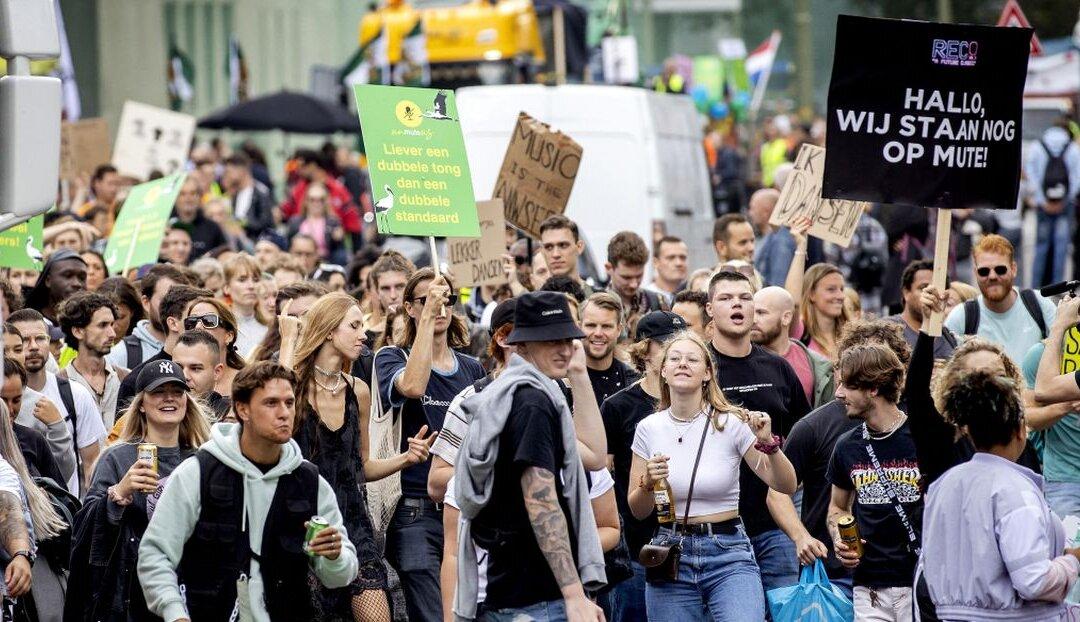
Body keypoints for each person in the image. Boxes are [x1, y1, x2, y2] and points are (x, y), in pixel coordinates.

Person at [137, 361, 359, 621]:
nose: (284, 412)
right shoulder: (198, 472)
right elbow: (155, 555)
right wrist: (175, 613)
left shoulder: (310, 482)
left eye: (289, 403)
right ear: (242, 409)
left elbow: (340, 576)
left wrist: (334, 556)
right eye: (271, 403)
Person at [452, 291, 606, 621]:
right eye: (550, 340)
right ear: (522, 346)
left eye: (567, 338)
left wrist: (578, 374)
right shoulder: (532, 402)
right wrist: (574, 594)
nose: (564, 349)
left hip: (522, 593)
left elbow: (593, 454)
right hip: (536, 599)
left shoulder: (528, 393)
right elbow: (542, 503)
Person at [629, 330, 797, 621]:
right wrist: (648, 482)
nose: (683, 363)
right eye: (675, 358)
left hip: (727, 550)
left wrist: (769, 443)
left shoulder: (731, 422)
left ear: (707, 373)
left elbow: (786, 484)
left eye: (692, 359)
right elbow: (638, 510)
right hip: (671, 551)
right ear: (664, 371)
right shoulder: (648, 427)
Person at [373, 268, 486, 622]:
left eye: (445, 299)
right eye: (427, 301)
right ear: (408, 307)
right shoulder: (391, 357)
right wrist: (425, 322)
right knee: (433, 615)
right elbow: (413, 386)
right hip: (415, 510)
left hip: (463, 508)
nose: (439, 308)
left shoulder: (471, 368)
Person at [923, 371, 1080, 621]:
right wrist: (1071, 561)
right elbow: (1034, 581)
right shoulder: (1015, 490)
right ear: (1020, 430)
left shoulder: (943, 485)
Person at [66, 359, 212, 621]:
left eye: (177, 392)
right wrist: (119, 494)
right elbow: (83, 533)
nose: (169, 398)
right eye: (158, 392)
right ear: (142, 404)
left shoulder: (203, 460)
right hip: (129, 600)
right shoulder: (117, 458)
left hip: (187, 593)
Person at [278, 292, 392, 620]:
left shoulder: (359, 390)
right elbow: (275, 403)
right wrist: (289, 340)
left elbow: (363, 466)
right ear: (329, 331)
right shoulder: (294, 385)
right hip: (300, 521)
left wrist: (408, 458)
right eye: (354, 326)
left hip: (353, 522)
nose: (363, 335)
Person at [779, 321, 913, 599]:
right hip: (836, 574)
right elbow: (778, 492)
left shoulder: (917, 428)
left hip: (910, 576)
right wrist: (801, 537)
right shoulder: (816, 427)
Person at [705, 270, 810, 593]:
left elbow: (802, 436)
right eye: (725, 298)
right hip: (718, 529)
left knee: (783, 611)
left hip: (775, 524)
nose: (736, 304)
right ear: (710, 309)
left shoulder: (777, 367)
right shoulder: (699, 369)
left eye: (744, 297)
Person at [827, 344, 923, 622]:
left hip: (919, 581)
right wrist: (838, 537)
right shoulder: (846, 446)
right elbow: (837, 507)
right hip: (868, 586)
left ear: (873, 388)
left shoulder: (922, 439)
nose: (839, 393)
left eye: (847, 385)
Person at [602, 310, 684, 622]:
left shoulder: (697, 403)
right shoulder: (618, 406)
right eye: (667, 345)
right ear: (644, 350)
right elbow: (603, 477)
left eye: (682, 345)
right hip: (638, 547)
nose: (675, 354)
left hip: (690, 542)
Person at [10, 308, 106, 496]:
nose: (33, 346)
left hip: (65, 513)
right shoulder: (4, 402)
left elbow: (92, 465)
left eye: (40, 338)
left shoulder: (75, 394)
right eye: (24, 341)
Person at [944, 234, 1056, 365]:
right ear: (975, 273)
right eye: (984, 271)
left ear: (1013, 269)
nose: (992, 276)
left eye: (1000, 270)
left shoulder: (1040, 304)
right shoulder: (962, 316)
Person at [115, 285, 210, 413]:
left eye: (208, 320)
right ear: (173, 323)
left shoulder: (221, 371)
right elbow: (125, 431)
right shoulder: (136, 381)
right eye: (193, 320)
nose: (202, 326)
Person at [751, 286, 834, 409]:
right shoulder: (741, 359)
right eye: (751, 312)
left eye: (761, 313)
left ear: (786, 317)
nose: (753, 320)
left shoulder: (818, 365)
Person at [57, 291, 125, 428]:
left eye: (112, 324)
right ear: (78, 331)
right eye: (103, 325)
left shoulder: (126, 378)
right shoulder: (59, 384)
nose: (112, 333)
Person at [1025, 118, 1080, 286]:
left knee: (1041, 247)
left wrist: (1042, 200)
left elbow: (1030, 174)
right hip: (1064, 206)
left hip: (1043, 206)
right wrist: (1064, 200)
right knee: (1061, 249)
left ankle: (1035, 288)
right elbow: (1077, 178)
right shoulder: (1072, 149)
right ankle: (1058, 288)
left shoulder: (1037, 146)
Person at [106, 265, 191, 369]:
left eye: (182, 300)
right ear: (146, 302)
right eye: (166, 299)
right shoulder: (120, 354)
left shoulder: (197, 348)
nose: (175, 306)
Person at [2, 358, 67, 485]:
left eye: (16, 400)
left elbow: (62, 496)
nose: (10, 409)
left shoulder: (33, 440)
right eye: (3, 400)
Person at [280, 149, 363, 243]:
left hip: (332, 246)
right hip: (302, 245)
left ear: (313, 165)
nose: (298, 170)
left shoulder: (338, 190)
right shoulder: (298, 190)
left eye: (301, 166)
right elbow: (285, 212)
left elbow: (352, 221)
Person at [786, 251, 851, 361]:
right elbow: (792, 303)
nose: (841, 296)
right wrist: (801, 249)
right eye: (831, 289)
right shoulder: (801, 332)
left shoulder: (851, 334)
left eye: (841, 289)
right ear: (811, 294)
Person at [885, 259, 956, 360]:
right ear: (906, 293)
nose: (931, 294)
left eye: (937, 290)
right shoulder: (887, 330)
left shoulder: (948, 337)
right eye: (923, 288)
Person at [181, 297, 246, 399]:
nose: (198, 326)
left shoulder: (247, 381)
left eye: (209, 321)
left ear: (229, 336)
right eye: (191, 322)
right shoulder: (177, 376)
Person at [581, 292, 639, 405]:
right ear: (579, 326)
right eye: (591, 325)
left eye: (606, 326)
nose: (598, 333)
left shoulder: (633, 382)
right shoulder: (563, 378)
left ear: (619, 330)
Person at [251, 281, 329, 362]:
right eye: (291, 318)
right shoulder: (274, 362)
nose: (300, 322)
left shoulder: (340, 350)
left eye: (307, 315)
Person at [605, 232, 666, 322]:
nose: (633, 284)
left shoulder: (658, 303)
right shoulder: (592, 304)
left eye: (639, 276)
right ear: (609, 268)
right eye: (626, 277)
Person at [171, 330, 231, 420]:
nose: (185, 376)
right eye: (178, 367)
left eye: (195, 368)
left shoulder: (230, 415)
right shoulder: (156, 410)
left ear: (217, 372)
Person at [363, 250, 416, 347]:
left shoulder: (428, 329)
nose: (393, 295)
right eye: (385, 288)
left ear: (411, 287)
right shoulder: (365, 341)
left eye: (399, 286)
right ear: (377, 292)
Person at [287, 183, 348, 267]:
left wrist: (337, 239)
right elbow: (289, 245)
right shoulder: (295, 221)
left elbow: (340, 250)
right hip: (300, 261)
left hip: (326, 262)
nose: (316, 203)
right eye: (312, 199)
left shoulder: (333, 222)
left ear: (326, 202)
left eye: (321, 200)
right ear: (306, 201)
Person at [23, 249, 88, 324]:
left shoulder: (91, 321)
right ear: (48, 280)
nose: (77, 284)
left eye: (82, 278)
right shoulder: (27, 320)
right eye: (68, 276)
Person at [170, 177, 228, 260]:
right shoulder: (166, 227)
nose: (188, 198)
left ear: (200, 197)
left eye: (193, 193)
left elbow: (223, 255)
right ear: (175, 197)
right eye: (182, 194)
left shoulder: (212, 228)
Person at [222, 253, 268, 357]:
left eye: (256, 280)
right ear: (226, 287)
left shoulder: (270, 327)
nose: (251, 286)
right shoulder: (220, 326)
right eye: (242, 280)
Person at [748, 189, 797, 288]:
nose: (750, 213)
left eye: (752, 208)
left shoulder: (780, 241)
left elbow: (778, 283)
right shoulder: (773, 236)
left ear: (766, 211)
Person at [222, 152, 276, 240]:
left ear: (241, 170)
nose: (227, 175)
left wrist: (242, 224)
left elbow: (265, 222)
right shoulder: (235, 194)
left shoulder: (261, 192)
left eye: (229, 171)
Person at [539, 215, 593, 294]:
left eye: (563, 245)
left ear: (579, 247)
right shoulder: (534, 303)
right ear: (542, 251)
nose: (555, 254)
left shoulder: (601, 300)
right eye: (549, 247)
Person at [643, 236, 688, 306]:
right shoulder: (644, 299)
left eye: (683, 257)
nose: (679, 263)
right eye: (671, 258)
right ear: (656, 262)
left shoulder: (694, 294)